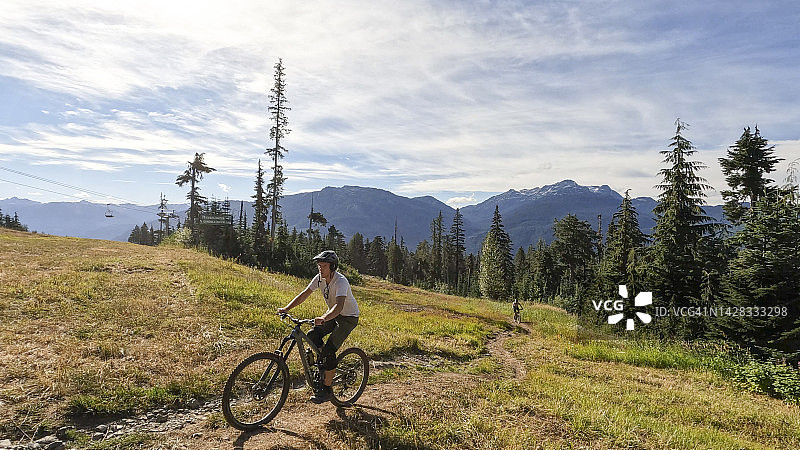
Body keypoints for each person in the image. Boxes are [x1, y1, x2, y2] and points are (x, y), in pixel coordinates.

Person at [277, 250, 360, 404]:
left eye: (324, 266)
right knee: (313, 335)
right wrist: (286, 308)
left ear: (333, 267)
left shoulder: (341, 281)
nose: (320, 269)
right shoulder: (319, 279)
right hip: (332, 314)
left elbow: (339, 305)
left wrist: (324, 318)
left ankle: (327, 389)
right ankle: (325, 364)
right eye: (319, 266)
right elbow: (304, 294)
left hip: (348, 318)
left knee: (329, 351)